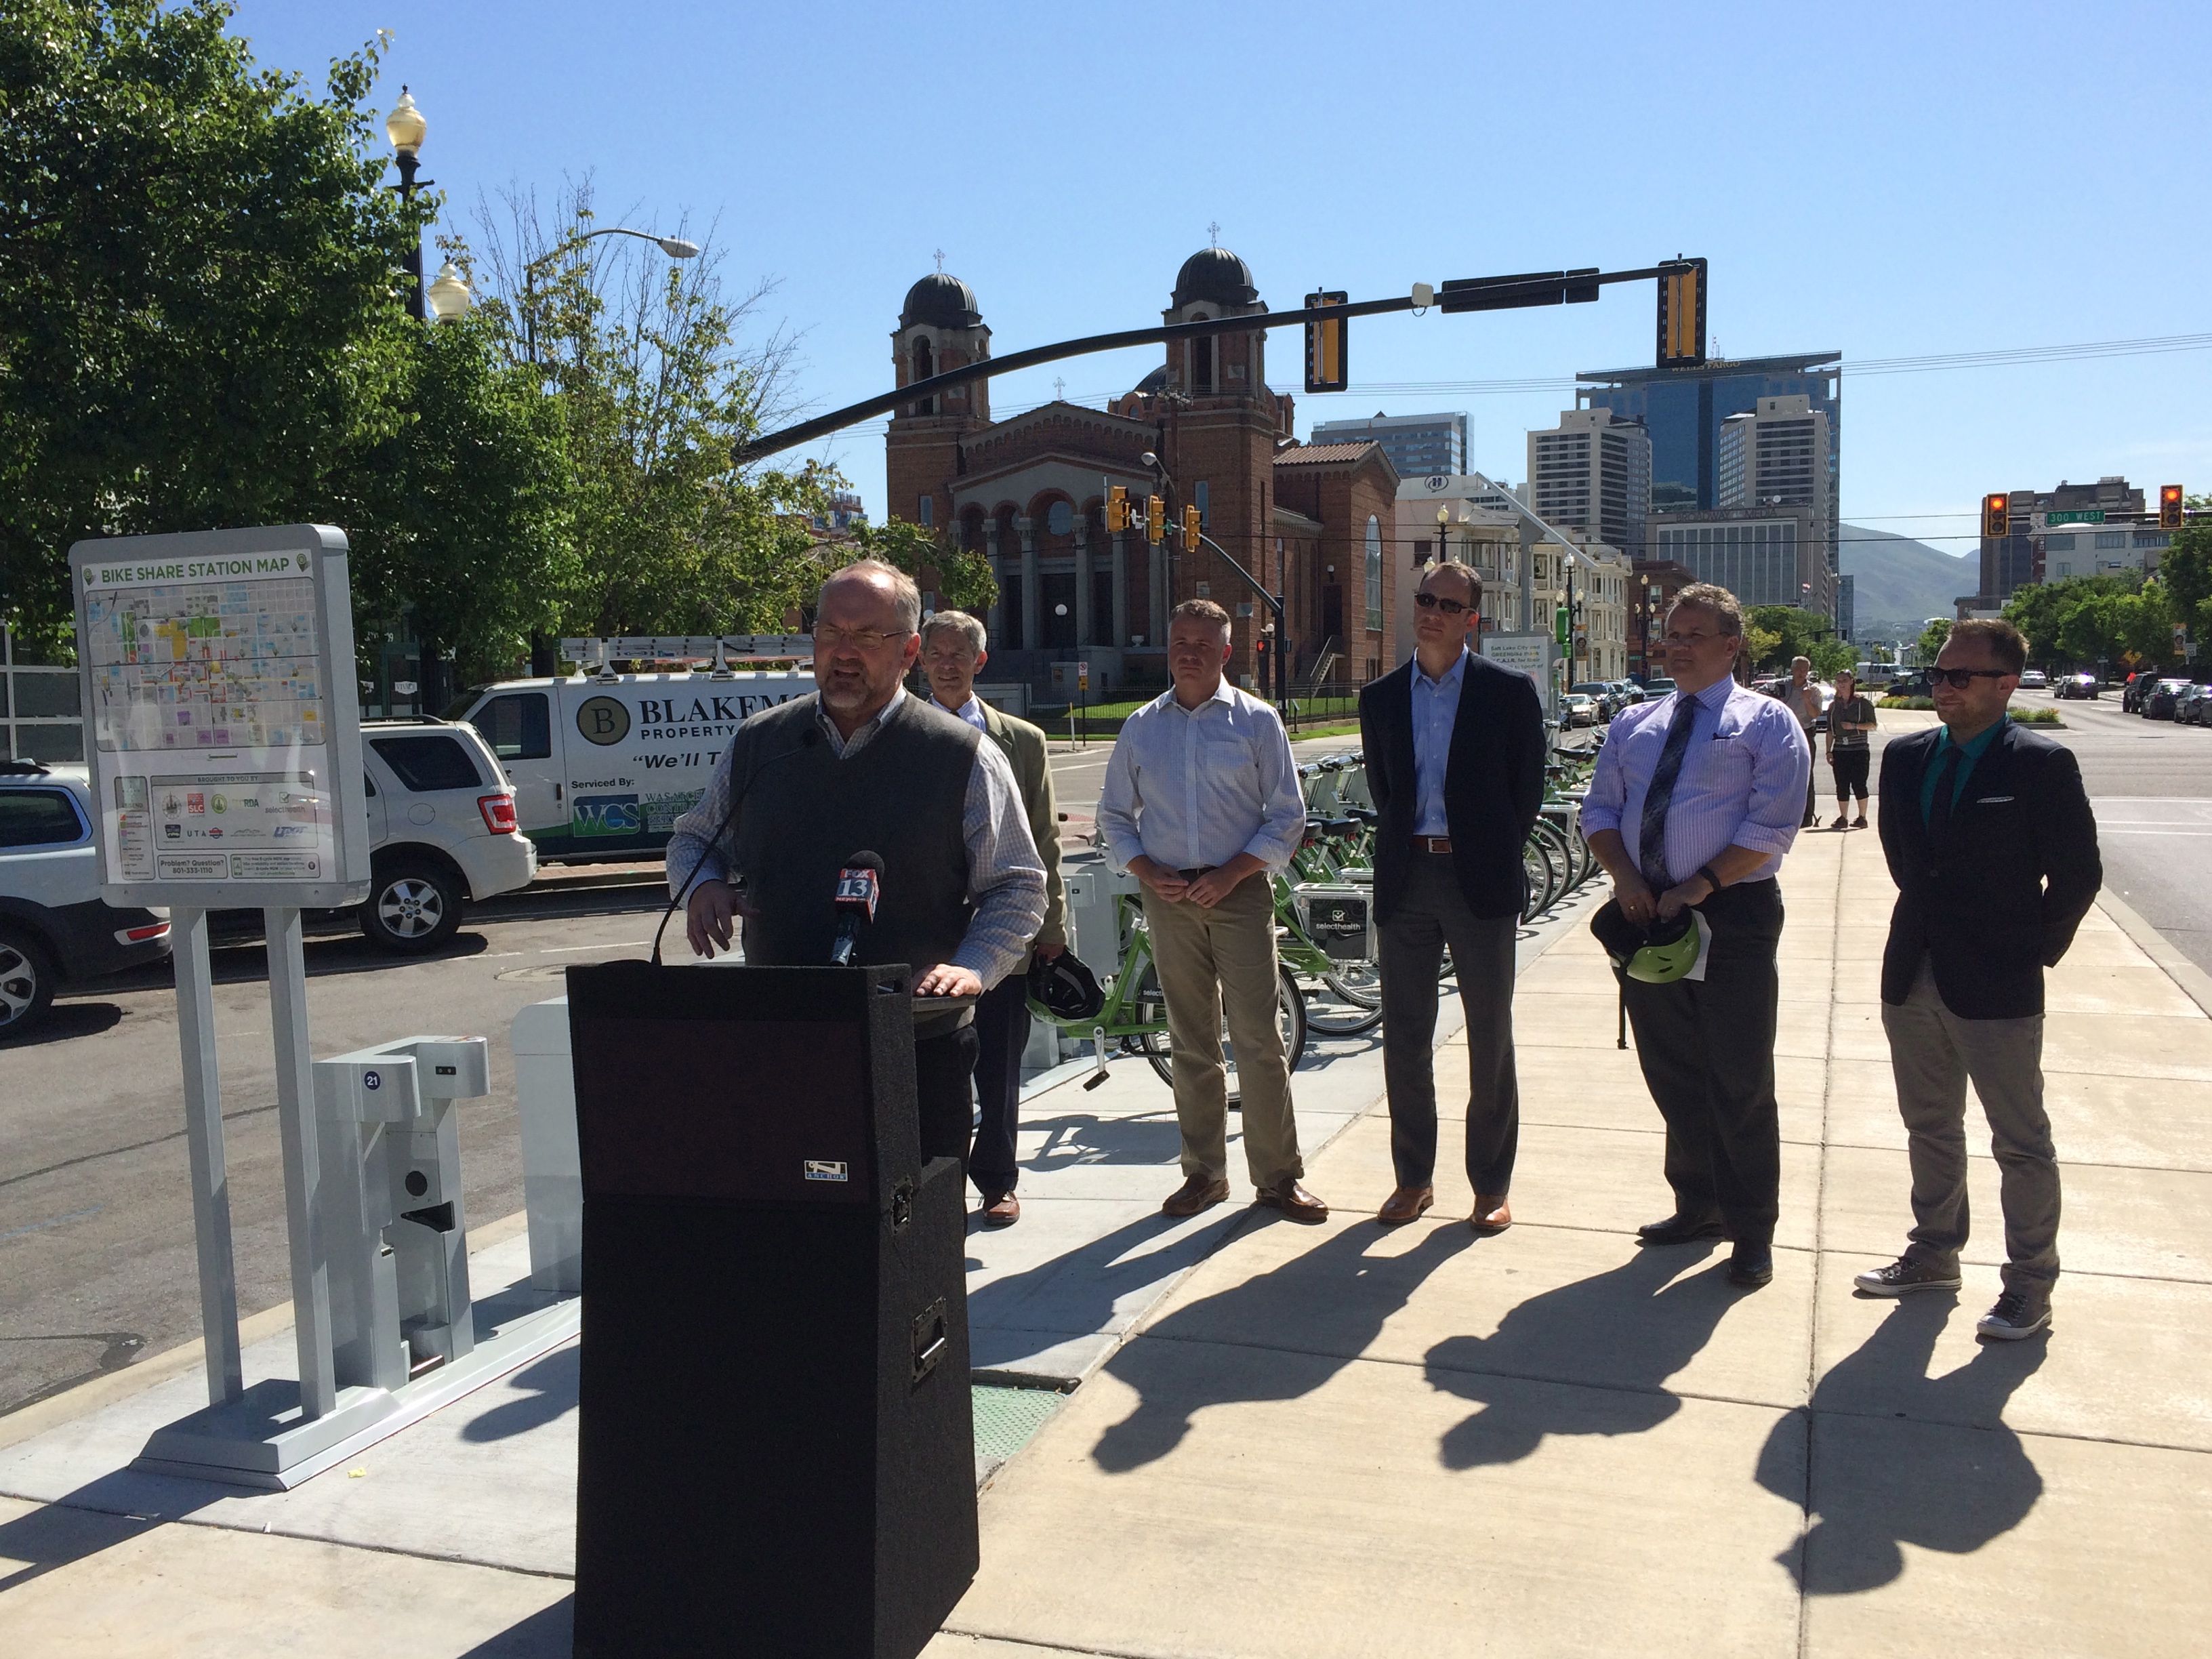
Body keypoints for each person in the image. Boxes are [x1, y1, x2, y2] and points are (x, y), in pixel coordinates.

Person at [670, 560, 1047, 1172]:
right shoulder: (758, 743)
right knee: (802, 1229)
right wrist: (705, 883)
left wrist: (974, 966)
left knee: (915, 1245)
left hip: (920, 1044)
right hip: (787, 1039)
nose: (844, 654)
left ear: (910, 650)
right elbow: (694, 839)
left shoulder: (963, 756)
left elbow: (1018, 887)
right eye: (830, 633)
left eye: (868, 637)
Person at [1855, 617, 2100, 1340]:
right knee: (1929, 1125)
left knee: (2019, 1139)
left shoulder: (2040, 764)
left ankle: (2030, 1283)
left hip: (1997, 982)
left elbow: (2078, 876)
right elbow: (1906, 861)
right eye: (1937, 674)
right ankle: (1934, 1252)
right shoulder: (1903, 757)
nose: (1942, 687)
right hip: (1913, 968)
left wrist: (2028, 951)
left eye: (1959, 676)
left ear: (2006, 684)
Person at [1578, 583, 1812, 1289]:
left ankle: (1751, 1229)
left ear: (1731, 645)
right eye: (1670, 635)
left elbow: (1773, 827)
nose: (1675, 646)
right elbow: (1601, 809)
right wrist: (1625, 879)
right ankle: (1698, 1204)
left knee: (1738, 1079)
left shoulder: (1768, 724)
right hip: (1649, 918)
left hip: (1732, 915)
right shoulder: (1634, 723)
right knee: (1671, 1070)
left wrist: (1699, 886)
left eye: (1693, 635)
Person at [1096, 598, 1325, 1222]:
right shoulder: (1143, 726)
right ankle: (1204, 1174)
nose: (1188, 652)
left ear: (1227, 652)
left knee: (1258, 1037)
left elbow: (1286, 816)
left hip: (1240, 892)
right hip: (1168, 899)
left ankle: (1278, 1176)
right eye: (1179, 641)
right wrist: (1145, 869)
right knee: (1190, 1041)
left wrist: (1233, 874)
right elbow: (1114, 817)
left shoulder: (1256, 722)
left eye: (1202, 643)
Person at [1357, 558, 1545, 1231]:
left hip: (1480, 883)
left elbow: (1527, 794)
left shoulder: (1508, 693)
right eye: (1424, 599)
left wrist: (1485, 848)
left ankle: (1490, 1186)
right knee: (1405, 1039)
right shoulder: (1379, 699)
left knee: (1489, 1037)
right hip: (1407, 879)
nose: (1431, 611)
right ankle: (1414, 1180)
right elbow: (1386, 793)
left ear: (1472, 618)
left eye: (1447, 603)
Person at [918, 609, 1067, 1227]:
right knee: (930, 1065)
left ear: (981, 663)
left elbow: (1043, 841)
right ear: (919, 659)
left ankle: (999, 1180)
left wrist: (1051, 929)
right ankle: (936, 1181)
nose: (945, 664)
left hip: (1000, 927)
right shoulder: (900, 733)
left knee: (1000, 1062)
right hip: (925, 927)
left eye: (958, 654)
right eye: (935, 653)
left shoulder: (1022, 742)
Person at [1825, 668, 1878, 829]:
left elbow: (1873, 725)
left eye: (1844, 681)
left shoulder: (1863, 703)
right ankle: (1843, 817)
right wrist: (1828, 750)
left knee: (1859, 783)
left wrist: (1854, 726)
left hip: (1859, 748)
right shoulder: (1834, 706)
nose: (1841, 684)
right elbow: (1829, 730)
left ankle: (1862, 817)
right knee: (1841, 784)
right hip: (1840, 749)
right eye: (1839, 681)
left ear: (1852, 682)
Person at [1779, 656, 1825, 827]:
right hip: (1784, 733)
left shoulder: (1814, 691)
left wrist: (1806, 699)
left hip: (1805, 733)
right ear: (1792, 669)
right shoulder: (1783, 687)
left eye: (1805, 669)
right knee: (1783, 773)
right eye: (1799, 669)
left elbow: (1815, 715)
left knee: (1806, 774)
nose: (1802, 673)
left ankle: (1807, 817)